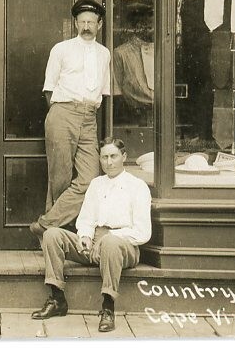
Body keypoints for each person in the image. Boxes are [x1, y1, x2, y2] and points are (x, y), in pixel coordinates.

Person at [31, 137, 151, 332]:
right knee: (52, 234)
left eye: (113, 156)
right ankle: (57, 298)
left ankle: (108, 308)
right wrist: (86, 237)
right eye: (104, 157)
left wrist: (106, 238)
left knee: (111, 243)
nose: (109, 162)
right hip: (94, 244)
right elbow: (86, 219)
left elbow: (142, 232)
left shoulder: (137, 186)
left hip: (123, 247)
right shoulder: (96, 184)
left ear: (124, 157)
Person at [30, 0, 112, 237]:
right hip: (63, 112)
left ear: (99, 25)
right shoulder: (61, 49)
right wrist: (61, 115)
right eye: (82, 21)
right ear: (76, 23)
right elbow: (49, 89)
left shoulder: (104, 53)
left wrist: (86, 115)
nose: (86, 27)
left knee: (90, 178)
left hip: (89, 117)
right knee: (60, 177)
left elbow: (103, 93)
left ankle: (46, 225)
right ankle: (55, 238)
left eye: (91, 22)